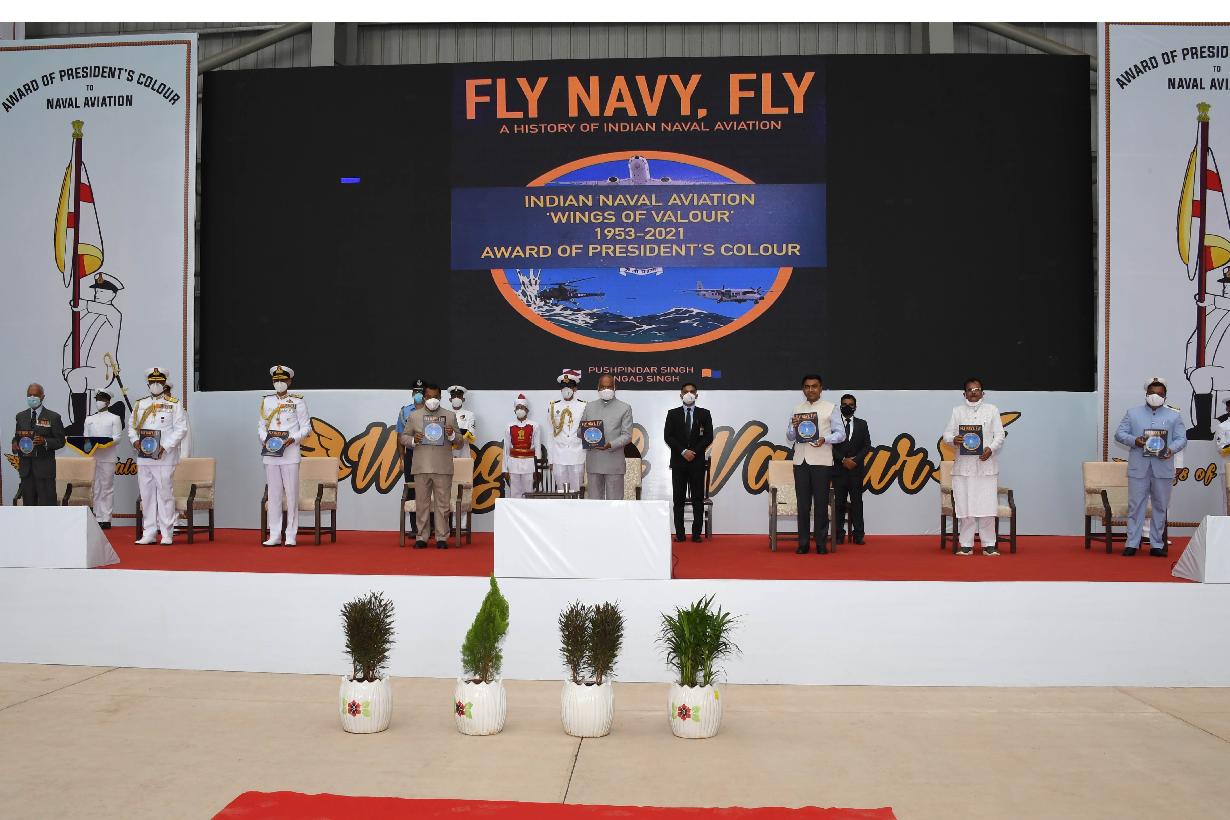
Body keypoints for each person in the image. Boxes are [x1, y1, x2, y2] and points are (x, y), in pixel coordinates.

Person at [1114, 377, 1188, 556]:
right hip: (1138, 468)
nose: (1155, 396)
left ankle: (1156, 544)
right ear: (1146, 394)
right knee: (1135, 506)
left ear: (1165, 396)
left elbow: (1181, 438)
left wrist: (1171, 449)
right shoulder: (1133, 413)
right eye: (1152, 393)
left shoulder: (1174, 415)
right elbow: (1119, 434)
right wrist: (1135, 441)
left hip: (1163, 468)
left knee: (1161, 506)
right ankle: (1132, 543)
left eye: (1160, 394)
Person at [942, 378, 1007, 557]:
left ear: (982, 393)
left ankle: (989, 544)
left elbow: (1000, 435)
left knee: (987, 507)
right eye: (970, 390)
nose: (973, 392)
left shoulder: (992, 410)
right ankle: (965, 545)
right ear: (964, 394)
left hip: (986, 466)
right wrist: (953, 439)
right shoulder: (957, 411)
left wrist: (991, 449)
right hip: (963, 468)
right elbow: (946, 434)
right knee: (966, 508)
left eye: (977, 389)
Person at [786, 374, 845, 554]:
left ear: (821, 388)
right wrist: (793, 427)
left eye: (814, 386)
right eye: (807, 386)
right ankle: (803, 543)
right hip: (800, 462)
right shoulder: (797, 409)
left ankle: (821, 543)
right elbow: (790, 436)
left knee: (821, 504)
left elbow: (841, 434)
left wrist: (825, 439)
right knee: (803, 505)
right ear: (803, 389)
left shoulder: (831, 408)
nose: (810, 389)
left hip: (822, 462)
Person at [128, 368, 188, 545]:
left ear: (164, 383)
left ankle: (167, 533)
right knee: (146, 495)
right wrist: (135, 441)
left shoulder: (174, 404)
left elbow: (181, 429)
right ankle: (149, 532)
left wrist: (165, 446)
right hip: (144, 457)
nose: (155, 385)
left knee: (164, 494)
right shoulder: (140, 404)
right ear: (148, 384)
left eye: (159, 382)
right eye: (152, 382)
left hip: (164, 457)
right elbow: (132, 427)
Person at [398, 383, 462, 548]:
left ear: (440, 397)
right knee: (422, 504)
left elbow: (460, 442)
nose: (432, 400)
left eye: (435, 397)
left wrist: (452, 435)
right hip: (421, 466)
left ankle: (442, 538)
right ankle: (422, 537)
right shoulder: (414, 416)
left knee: (443, 505)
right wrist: (414, 440)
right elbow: (403, 437)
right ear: (424, 397)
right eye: (429, 397)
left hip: (443, 467)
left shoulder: (450, 416)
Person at [258, 365, 312, 547]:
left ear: (289, 381)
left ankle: (290, 535)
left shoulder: (297, 401)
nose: (279, 383)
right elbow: (261, 426)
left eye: (282, 380)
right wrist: (265, 439)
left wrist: (293, 439)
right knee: (274, 495)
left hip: (290, 453)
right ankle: (274, 535)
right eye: (276, 380)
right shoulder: (267, 401)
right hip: (271, 454)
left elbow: (306, 427)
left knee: (291, 494)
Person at [663, 382, 714, 542]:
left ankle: (697, 534)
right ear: (681, 395)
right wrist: (683, 451)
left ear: (696, 395)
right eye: (686, 392)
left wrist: (694, 452)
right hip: (679, 462)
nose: (689, 394)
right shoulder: (672, 414)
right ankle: (679, 534)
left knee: (697, 499)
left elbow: (708, 437)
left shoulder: (704, 414)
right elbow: (668, 436)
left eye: (692, 391)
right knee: (678, 499)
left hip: (697, 463)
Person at [579, 373, 633, 500]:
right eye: (603, 387)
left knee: (615, 504)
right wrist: (586, 434)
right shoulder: (589, 406)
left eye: (609, 387)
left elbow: (627, 435)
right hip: (594, 462)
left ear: (615, 387)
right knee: (594, 504)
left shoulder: (625, 408)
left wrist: (610, 444)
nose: (606, 390)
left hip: (614, 463)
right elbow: (579, 431)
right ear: (598, 388)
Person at [11, 383, 66, 506]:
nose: (32, 397)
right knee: (29, 507)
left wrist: (45, 441)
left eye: (35, 395)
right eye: (29, 395)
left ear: (42, 397)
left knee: (47, 506)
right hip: (26, 470)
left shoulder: (53, 417)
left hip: (45, 470)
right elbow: (17, 437)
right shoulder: (20, 416)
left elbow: (61, 441)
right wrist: (14, 443)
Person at [832, 393, 871, 545]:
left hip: (856, 470)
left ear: (855, 407)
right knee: (839, 503)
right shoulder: (833, 424)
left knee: (857, 503)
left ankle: (858, 534)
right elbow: (830, 446)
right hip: (838, 470)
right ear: (840, 406)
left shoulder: (862, 424)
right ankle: (838, 534)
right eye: (844, 404)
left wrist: (855, 460)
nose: (847, 407)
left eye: (850, 405)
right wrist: (842, 460)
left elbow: (867, 446)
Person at [82, 389, 122, 527]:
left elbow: (117, 438)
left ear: (108, 402)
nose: (99, 402)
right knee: (96, 487)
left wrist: (103, 443)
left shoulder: (114, 418)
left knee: (107, 487)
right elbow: (85, 437)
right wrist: (89, 444)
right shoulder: (89, 419)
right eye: (97, 399)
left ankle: (106, 518)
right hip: (93, 457)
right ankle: (97, 517)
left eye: (102, 399)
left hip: (108, 457)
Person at [548, 368, 586, 493]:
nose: (566, 389)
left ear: (575, 388)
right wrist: (550, 459)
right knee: (561, 491)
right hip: (559, 455)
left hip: (578, 454)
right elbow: (550, 433)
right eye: (563, 387)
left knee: (577, 491)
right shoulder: (553, 406)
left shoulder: (584, 406)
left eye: (569, 386)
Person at [396, 378, 425, 530]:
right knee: (412, 490)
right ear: (412, 393)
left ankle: (430, 527)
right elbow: (400, 436)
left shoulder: (432, 410)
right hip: (411, 455)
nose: (418, 394)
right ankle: (415, 528)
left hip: (428, 455)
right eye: (416, 391)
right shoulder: (405, 411)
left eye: (421, 391)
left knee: (428, 489)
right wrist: (402, 458)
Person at [503, 393, 539, 499]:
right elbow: (506, 448)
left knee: (528, 493)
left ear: (527, 410)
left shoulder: (534, 425)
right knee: (514, 493)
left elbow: (537, 448)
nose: (520, 410)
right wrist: (505, 469)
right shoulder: (509, 426)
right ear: (514, 410)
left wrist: (537, 469)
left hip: (529, 464)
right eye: (518, 407)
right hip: (513, 464)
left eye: (522, 407)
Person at [447, 385, 478, 454]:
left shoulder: (470, 415)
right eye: (453, 396)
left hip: (463, 452)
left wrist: (453, 435)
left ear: (463, 399)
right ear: (450, 399)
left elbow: (471, 436)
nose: (456, 398)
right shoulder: (445, 414)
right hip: (448, 452)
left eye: (459, 396)